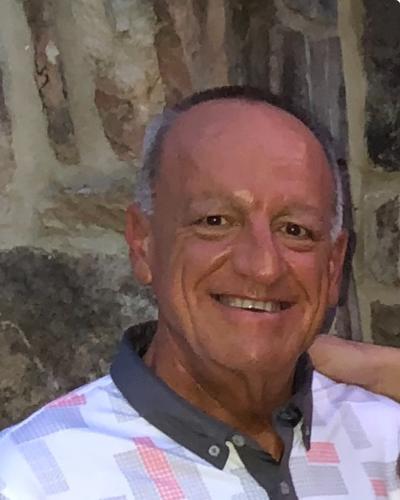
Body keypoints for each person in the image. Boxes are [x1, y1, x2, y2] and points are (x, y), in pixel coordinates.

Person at [0, 86, 399, 500]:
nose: (263, 267)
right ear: (143, 244)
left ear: (333, 266)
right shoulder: (32, 481)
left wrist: (372, 368)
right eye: (215, 221)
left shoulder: (387, 446)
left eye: (295, 230)